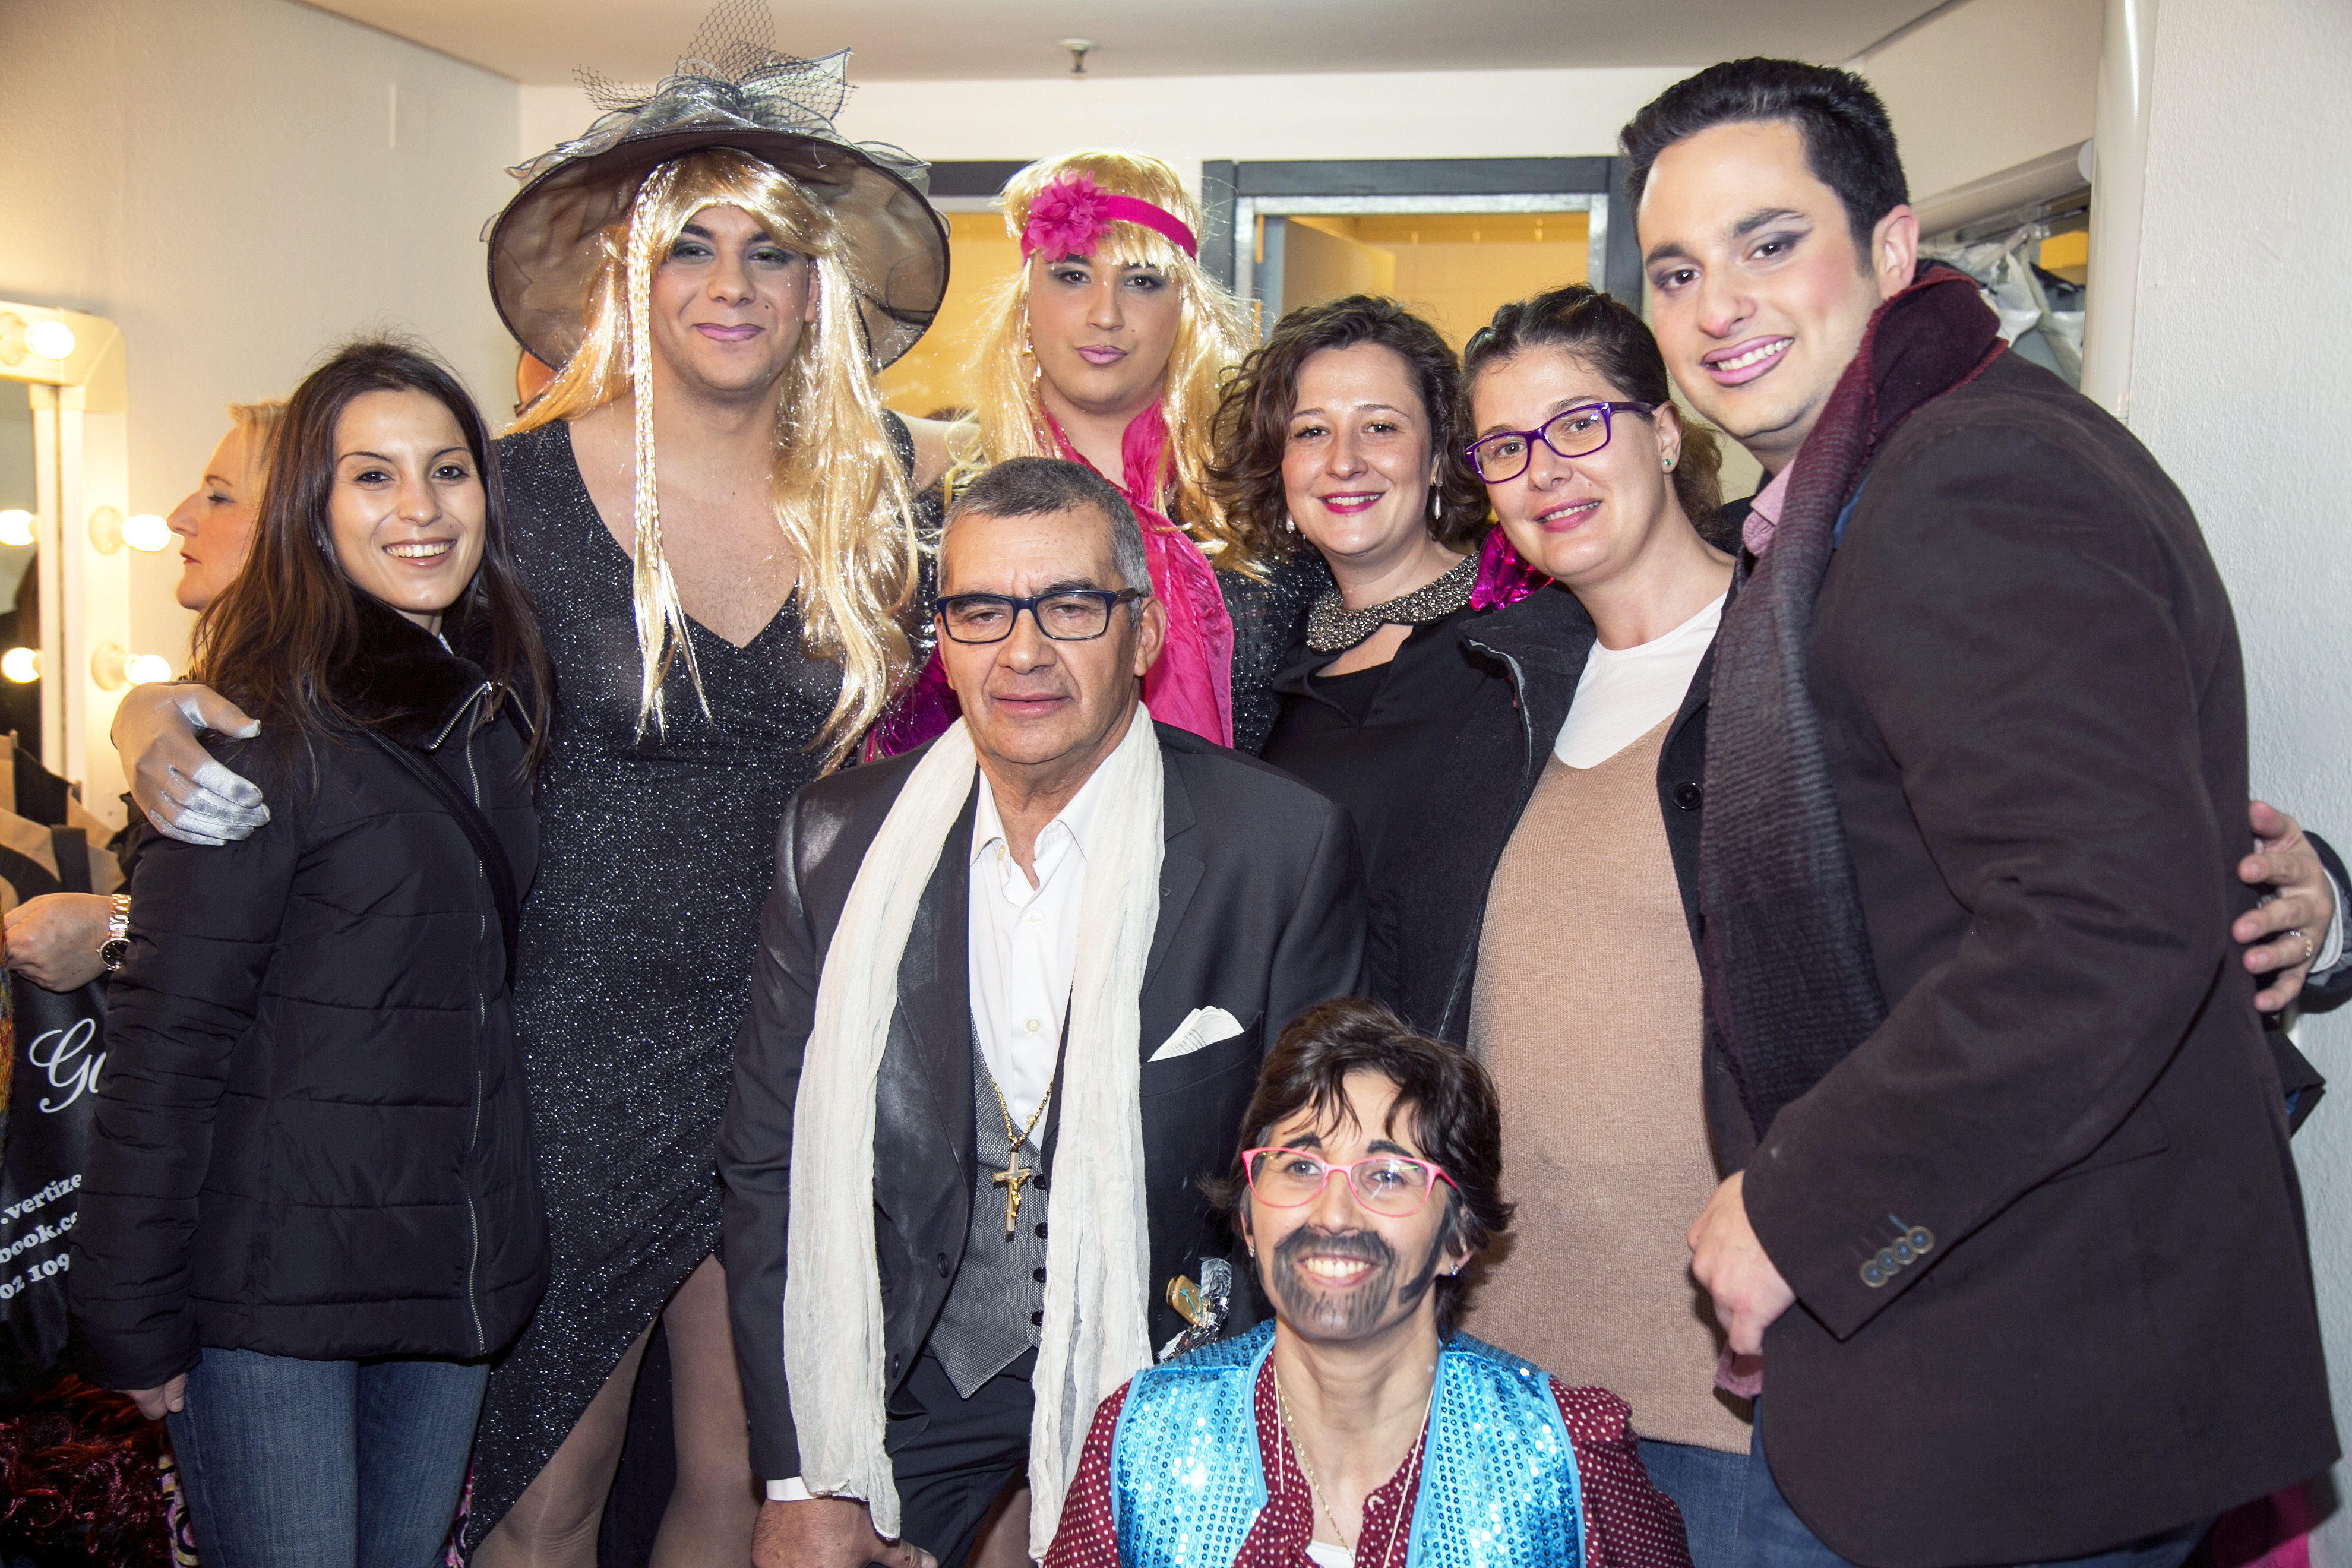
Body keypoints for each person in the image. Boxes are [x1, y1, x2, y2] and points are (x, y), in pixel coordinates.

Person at [103, 27, 957, 1565]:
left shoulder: (882, 494)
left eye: (769, 252)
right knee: (544, 1490)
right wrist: (149, 705)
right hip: (561, 1061)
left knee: (750, 1475)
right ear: (630, 273)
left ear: (813, 287)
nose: (731, 284)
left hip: (800, 1044)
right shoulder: (512, 492)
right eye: (690, 245)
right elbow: (323, 654)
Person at [1620, 59, 2335, 1566]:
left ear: (1890, 248)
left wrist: (1802, 1210)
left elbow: (2099, 928)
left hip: (2027, 1385)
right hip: (1965, 1363)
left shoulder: (1966, 475)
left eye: (1768, 243)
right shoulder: (1862, 486)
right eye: (1675, 271)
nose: (1717, 306)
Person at [721, 456, 1365, 1568]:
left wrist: (1286, 1449)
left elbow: (1322, 1182)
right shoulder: (835, 841)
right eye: (981, 611)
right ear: (943, 641)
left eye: (1070, 607)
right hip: (909, 1367)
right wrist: (801, 1474)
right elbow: (770, 1163)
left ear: (1143, 633)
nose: (1022, 653)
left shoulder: (1279, 846)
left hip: (1173, 1366)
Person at [67, 337, 551, 1566]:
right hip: (270, 1293)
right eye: (372, 476)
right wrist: (131, 1311)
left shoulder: (493, 721)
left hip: (444, 1275)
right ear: (312, 511)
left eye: (448, 469)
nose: (420, 507)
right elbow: (169, 1036)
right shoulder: (256, 732)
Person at [1044, 997, 1693, 1567]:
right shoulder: (1143, 1440)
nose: (1333, 1214)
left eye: (1386, 1177)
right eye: (1300, 1167)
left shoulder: (1567, 1457)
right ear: (1248, 1219)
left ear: (1459, 1237)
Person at [879, 151, 1329, 755]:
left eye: (1142, 281)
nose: (1106, 315)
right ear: (1027, 300)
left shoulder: (1265, 495)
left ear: (1184, 308)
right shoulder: (945, 514)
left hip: (1241, 817)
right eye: (1072, 275)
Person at [3, 400, 286, 994]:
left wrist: (118, 928)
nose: (179, 517)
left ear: (296, 520)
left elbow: (299, 930)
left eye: (219, 497)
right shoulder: (228, 693)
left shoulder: (291, 716)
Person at [1215, 296, 1490, 888]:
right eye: (1312, 431)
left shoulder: (1513, 638)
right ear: (1279, 465)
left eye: (1380, 427)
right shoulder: (1265, 658)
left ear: (1438, 455)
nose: (1344, 462)